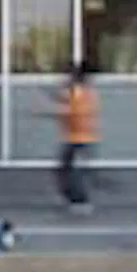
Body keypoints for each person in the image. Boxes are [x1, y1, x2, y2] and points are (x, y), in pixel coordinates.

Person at [53, 60, 100, 212]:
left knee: (71, 171)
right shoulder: (76, 92)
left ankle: (80, 199)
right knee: (65, 169)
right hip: (75, 137)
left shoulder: (83, 93)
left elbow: (71, 110)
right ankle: (72, 197)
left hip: (81, 138)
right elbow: (64, 102)